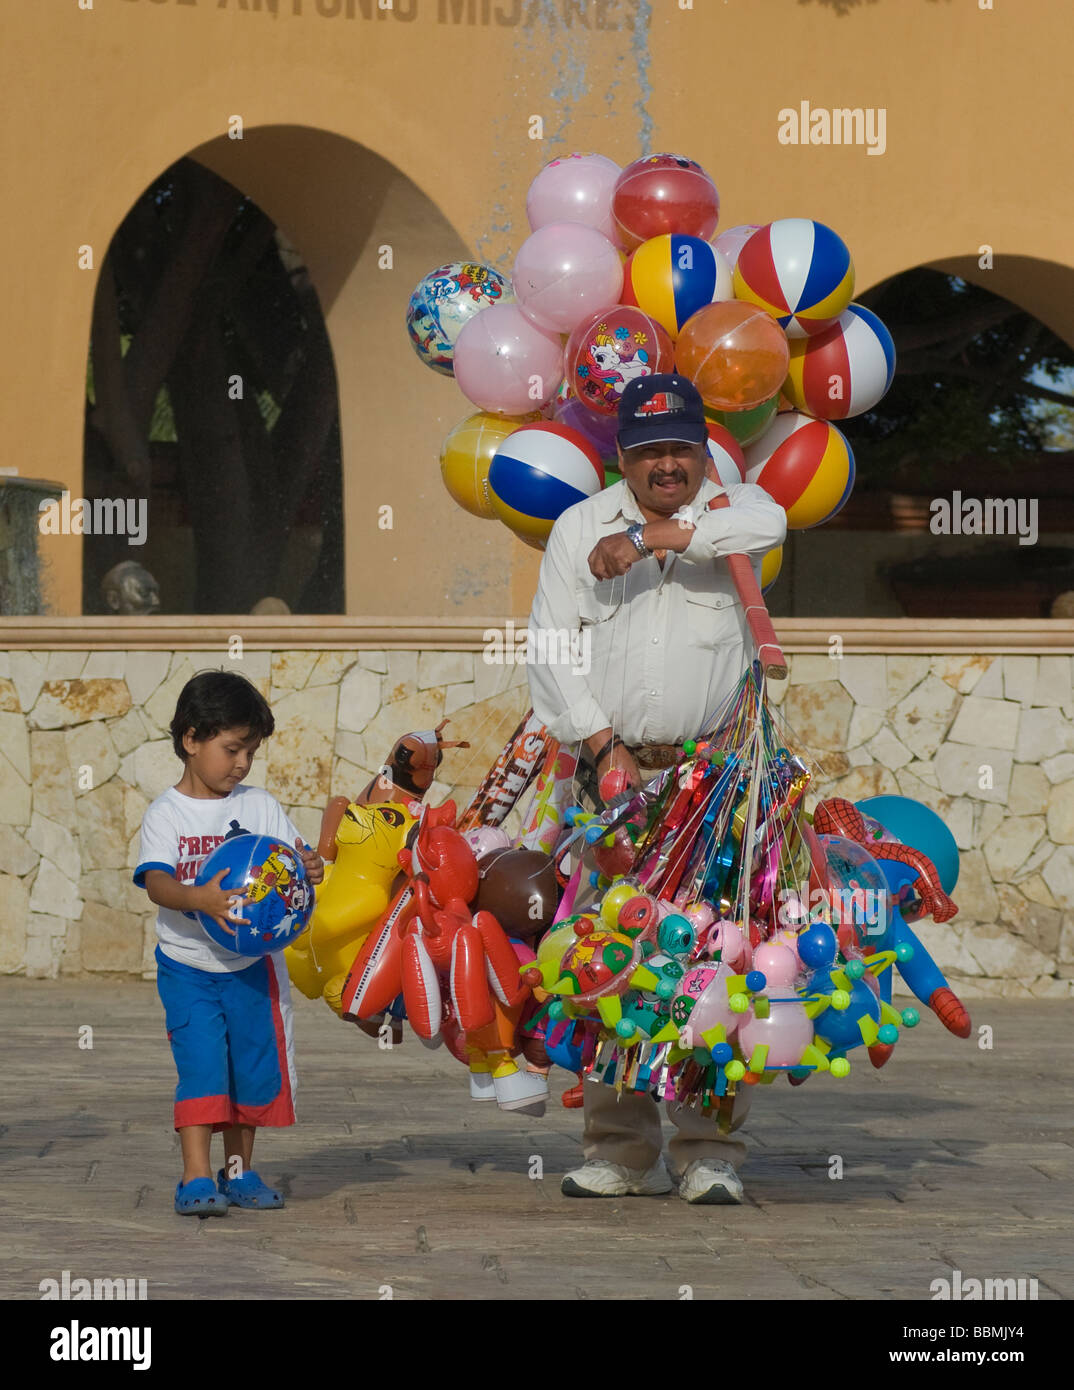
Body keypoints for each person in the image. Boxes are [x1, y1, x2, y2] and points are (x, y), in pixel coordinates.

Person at [527, 373, 787, 1205]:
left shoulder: (734, 512)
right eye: (650, 452)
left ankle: (708, 1147)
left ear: (702, 449)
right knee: (615, 958)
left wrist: (652, 540)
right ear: (623, 457)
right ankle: (619, 1147)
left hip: (711, 782)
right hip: (611, 775)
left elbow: (770, 518)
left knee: (713, 960)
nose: (668, 464)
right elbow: (549, 650)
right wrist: (602, 744)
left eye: (681, 448)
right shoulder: (576, 528)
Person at [134, 671, 324, 1217]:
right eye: (232, 748)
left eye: (251, 751)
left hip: (251, 968)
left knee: (250, 1068)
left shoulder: (260, 806)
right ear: (191, 739)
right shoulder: (166, 814)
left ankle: (238, 1173)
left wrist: (308, 866)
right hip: (188, 967)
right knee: (202, 1068)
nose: (241, 763)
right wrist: (201, 899)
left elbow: (293, 862)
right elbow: (156, 883)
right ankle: (195, 1177)